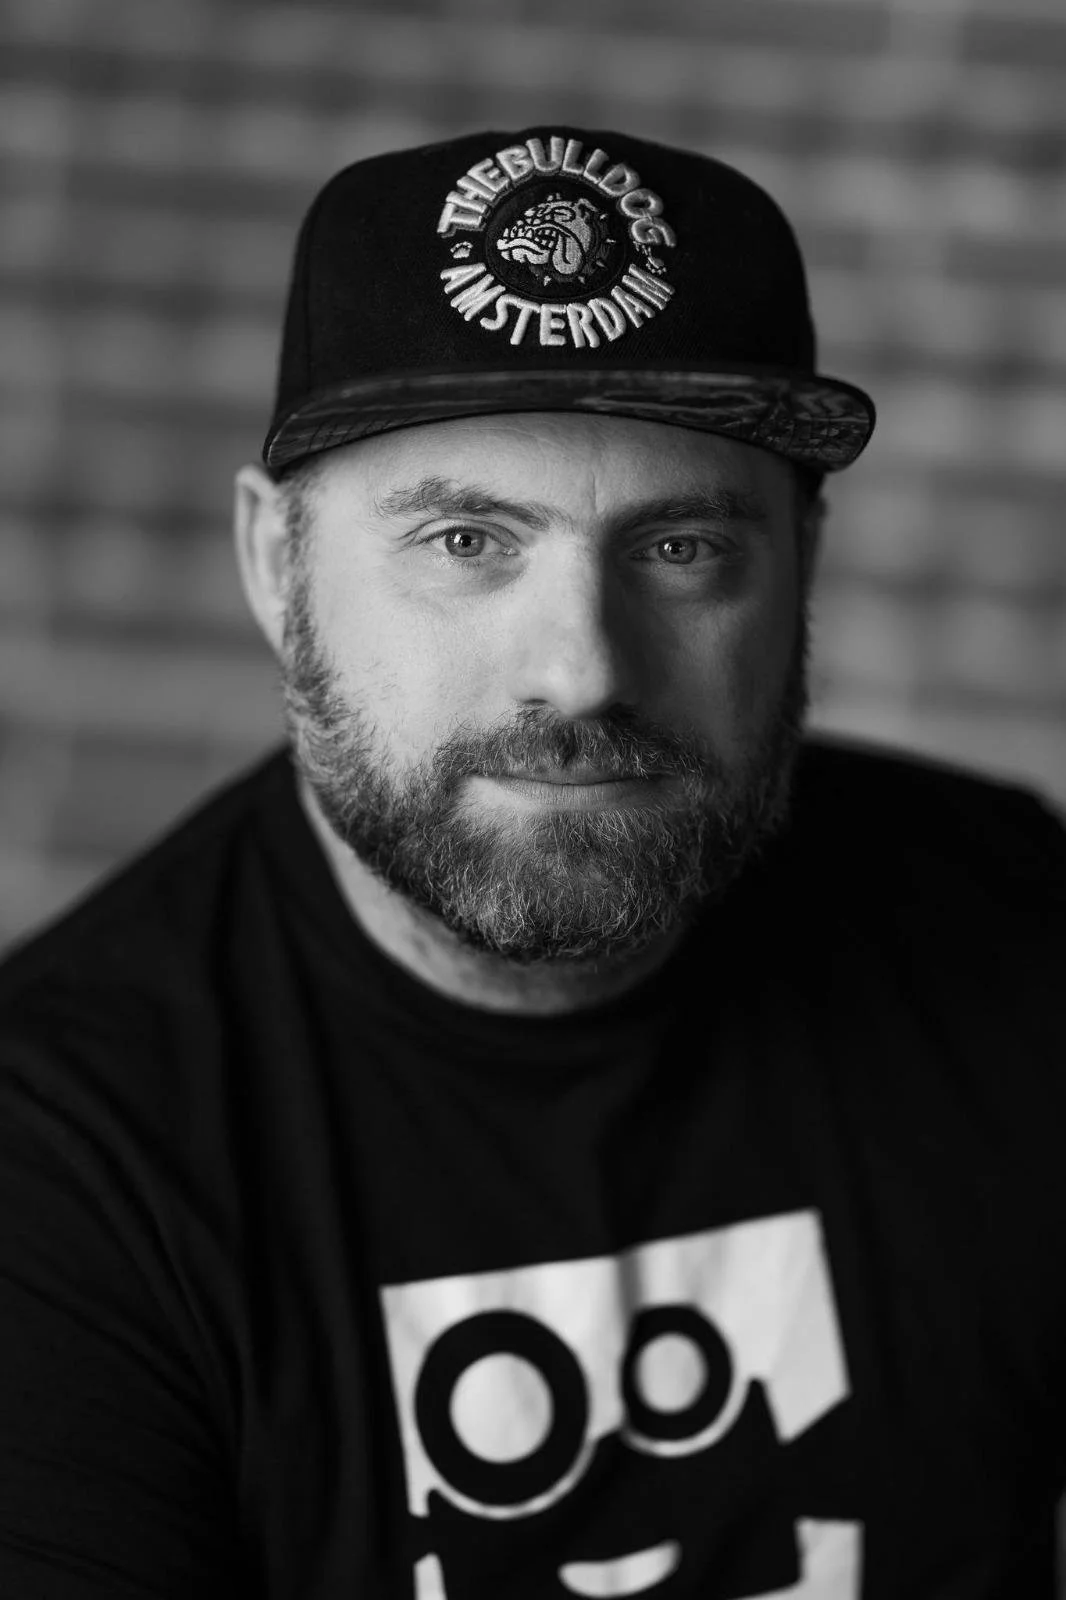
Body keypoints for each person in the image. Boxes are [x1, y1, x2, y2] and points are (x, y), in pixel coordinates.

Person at [0, 124, 1063, 1600]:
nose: (581, 671)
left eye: (681, 549)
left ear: (802, 567)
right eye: (465, 541)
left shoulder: (1006, 915)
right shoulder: (59, 1174)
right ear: (276, 565)